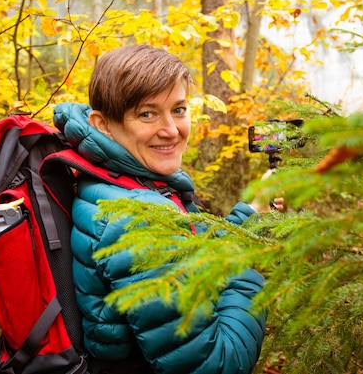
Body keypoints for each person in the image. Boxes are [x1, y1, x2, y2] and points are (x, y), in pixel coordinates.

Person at [53, 44, 274, 374]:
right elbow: (217, 364)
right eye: (147, 113)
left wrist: (250, 217)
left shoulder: (122, 181)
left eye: (179, 110)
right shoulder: (133, 219)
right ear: (102, 124)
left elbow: (189, 263)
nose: (171, 130)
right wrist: (249, 269)